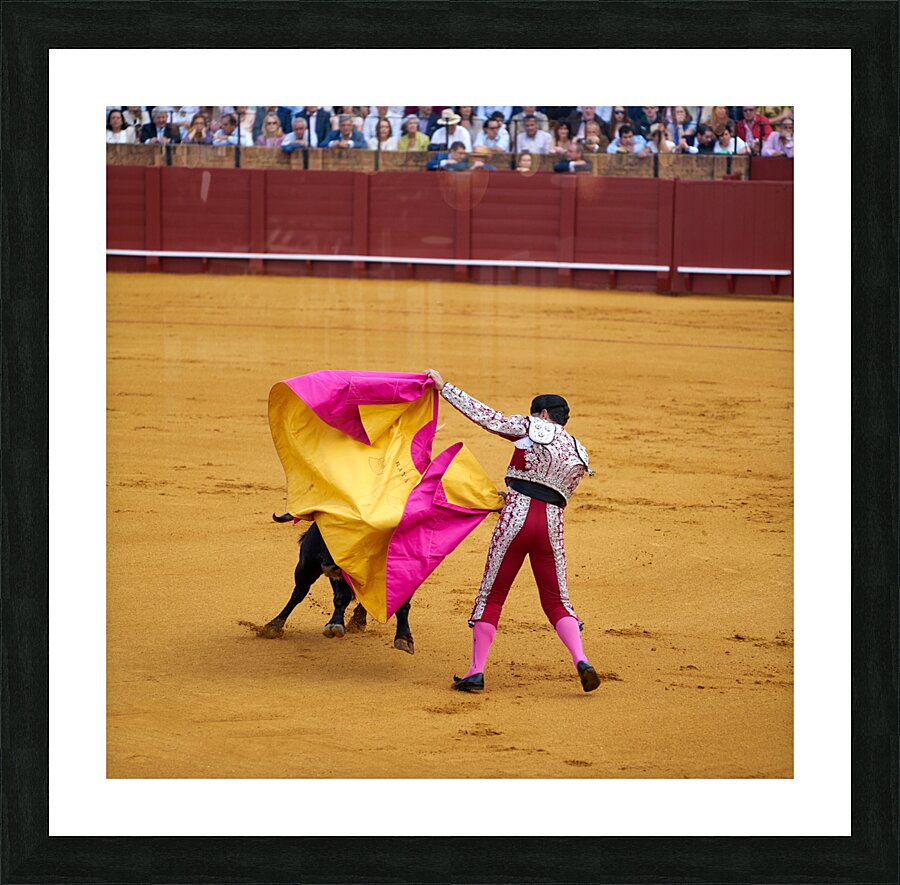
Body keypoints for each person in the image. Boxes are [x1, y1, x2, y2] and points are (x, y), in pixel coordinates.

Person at [423, 370, 600, 695]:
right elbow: (551, 491)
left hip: (515, 520)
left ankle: (476, 672)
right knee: (557, 601)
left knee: (492, 596)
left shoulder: (534, 426)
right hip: (552, 528)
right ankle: (582, 660)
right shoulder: (579, 450)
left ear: (543, 415)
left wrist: (444, 388)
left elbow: (488, 418)